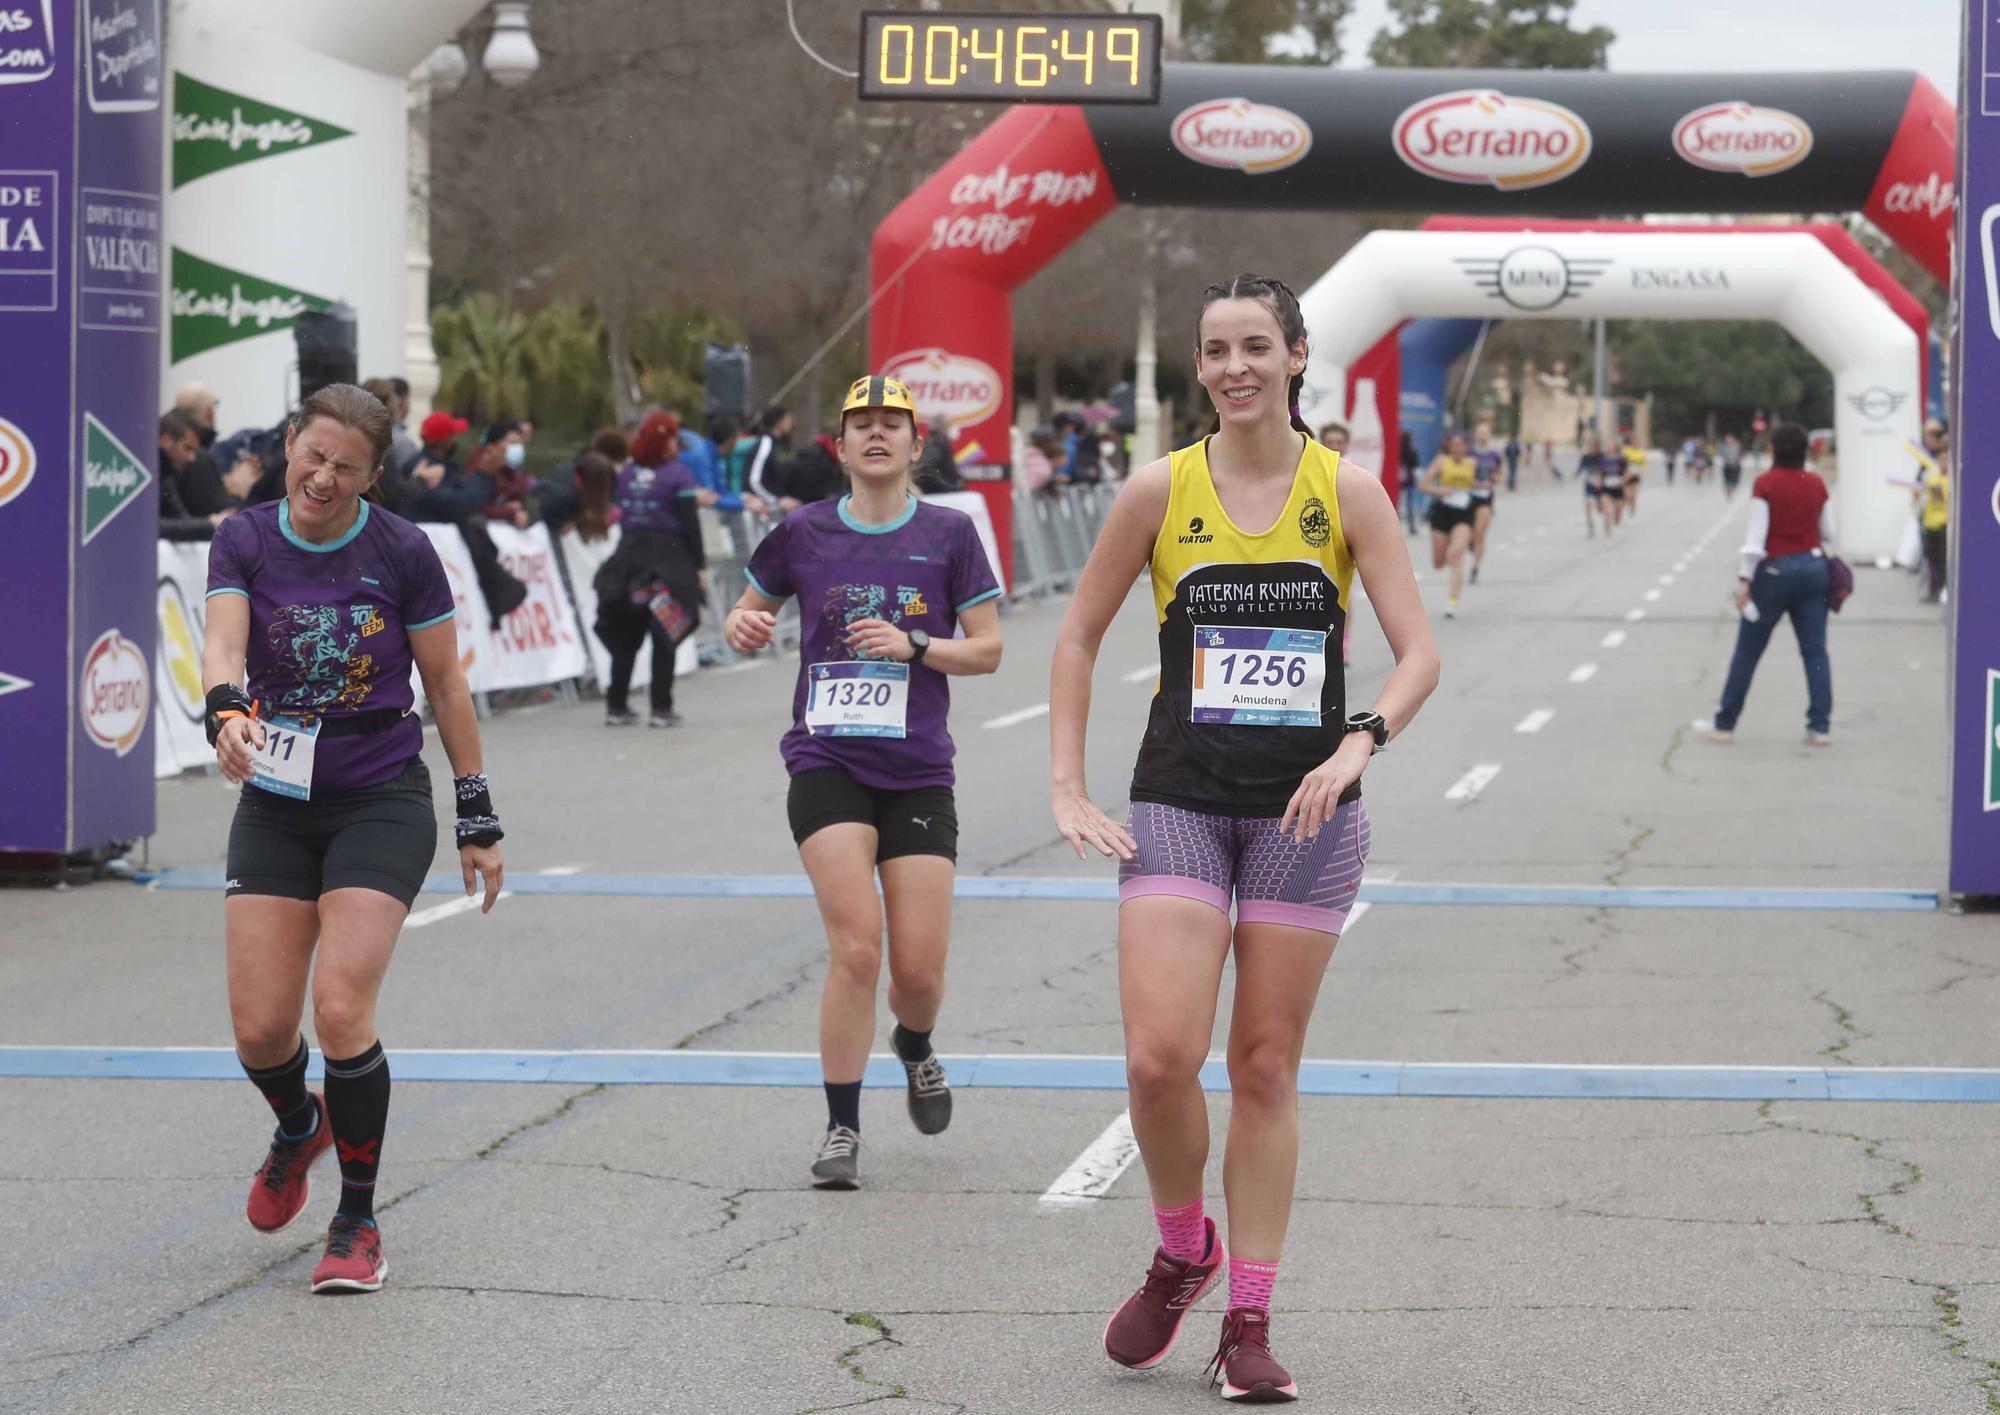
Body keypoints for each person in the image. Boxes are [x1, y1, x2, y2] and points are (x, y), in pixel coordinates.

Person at [1049, 274, 1437, 1405]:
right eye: (1215, 349)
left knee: (1264, 1063)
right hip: (1176, 793)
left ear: (1297, 355)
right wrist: (1067, 782)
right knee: (1157, 1056)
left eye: (1255, 345)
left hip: (1303, 811)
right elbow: (1074, 637)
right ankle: (1182, 1246)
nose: (1233, 367)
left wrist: (1361, 739)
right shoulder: (1155, 490)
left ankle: (1249, 1314)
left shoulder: (1345, 491)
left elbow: (1417, 652)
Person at [200, 383, 503, 1294]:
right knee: (260, 1031)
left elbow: (446, 684)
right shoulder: (244, 537)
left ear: (375, 477)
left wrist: (477, 812)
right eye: (312, 455)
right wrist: (223, 711)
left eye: (346, 468)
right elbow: (222, 647)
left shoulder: (403, 551)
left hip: (380, 794)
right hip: (278, 795)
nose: (322, 478)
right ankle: (300, 1123)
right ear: (288, 440)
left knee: (340, 1008)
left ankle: (357, 1218)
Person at [722, 374, 1003, 1190]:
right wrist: (745, 626)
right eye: (861, 425)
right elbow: (751, 615)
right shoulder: (801, 532)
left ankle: (913, 1043)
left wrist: (917, 646)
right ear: (839, 447)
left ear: (919, 445)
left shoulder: (949, 534)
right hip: (827, 761)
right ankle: (842, 1126)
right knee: (856, 947)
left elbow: (986, 648)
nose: (876, 435)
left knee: (916, 972)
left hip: (917, 771)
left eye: (893, 424)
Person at [1695, 424, 1835, 746]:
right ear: (1805, 452)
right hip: (1814, 569)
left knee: (1747, 652)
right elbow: (1829, 531)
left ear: (1774, 450)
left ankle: (1725, 724)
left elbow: (1756, 537)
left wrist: (1745, 579)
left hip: (1773, 573)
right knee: (1815, 652)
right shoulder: (1815, 483)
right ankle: (1820, 726)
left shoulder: (1766, 484)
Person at [594, 411, 705, 727]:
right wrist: (698, 568)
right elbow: (690, 525)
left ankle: (616, 705)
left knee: (627, 634)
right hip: (666, 563)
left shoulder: (628, 472)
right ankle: (661, 708)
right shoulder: (678, 475)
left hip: (628, 561)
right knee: (664, 633)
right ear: (666, 440)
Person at [1420, 430, 1477, 617]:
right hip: (1443, 513)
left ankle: (1452, 600)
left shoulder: (1472, 464)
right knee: (1438, 562)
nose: (1458, 448)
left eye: (1462, 444)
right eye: (1455, 444)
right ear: (1449, 446)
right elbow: (1423, 485)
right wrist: (1440, 491)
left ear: (1467, 447)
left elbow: (1478, 483)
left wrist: (1482, 485)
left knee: (1457, 554)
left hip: (1464, 513)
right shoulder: (1441, 462)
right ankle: (1448, 556)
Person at [1916, 419, 1950, 604]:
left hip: (1945, 524)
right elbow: (1923, 495)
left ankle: (1943, 589)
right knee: (1933, 561)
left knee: (1943, 561)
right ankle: (1934, 590)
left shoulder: (1951, 479)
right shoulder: (1932, 476)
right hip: (1931, 524)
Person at [1467, 423, 1502, 583]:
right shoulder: (1469, 453)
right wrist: (1472, 481)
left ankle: (1475, 567)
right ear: (1475, 435)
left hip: (1485, 497)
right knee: (1470, 534)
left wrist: (1493, 480)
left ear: (1489, 435)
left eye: (1485, 433)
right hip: (1468, 496)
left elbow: (1499, 474)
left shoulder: (1494, 455)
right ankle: (1472, 545)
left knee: (1480, 532)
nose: (1482, 436)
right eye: (1479, 432)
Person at [1396, 428, 1420, 533]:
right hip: (1409, 478)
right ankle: (1411, 525)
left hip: (1398, 477)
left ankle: (1395, 523)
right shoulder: (1412, 450)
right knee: (1410, 504)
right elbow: (1415, 464)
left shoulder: (1397, 449)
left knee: (1396, 501)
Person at [1618, 431, 1645, 520]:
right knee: (1626, 495)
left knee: (1633, 496)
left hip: (1636, 476)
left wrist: (1641, 471)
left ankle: (1632, 514)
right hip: (1627, 475)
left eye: (1636, 441)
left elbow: (1643, 464)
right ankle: (1621, 512)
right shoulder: (1626, 450)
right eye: (1633, 440)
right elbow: (1622, 462)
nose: (1635, 442)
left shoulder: (1641, 452)